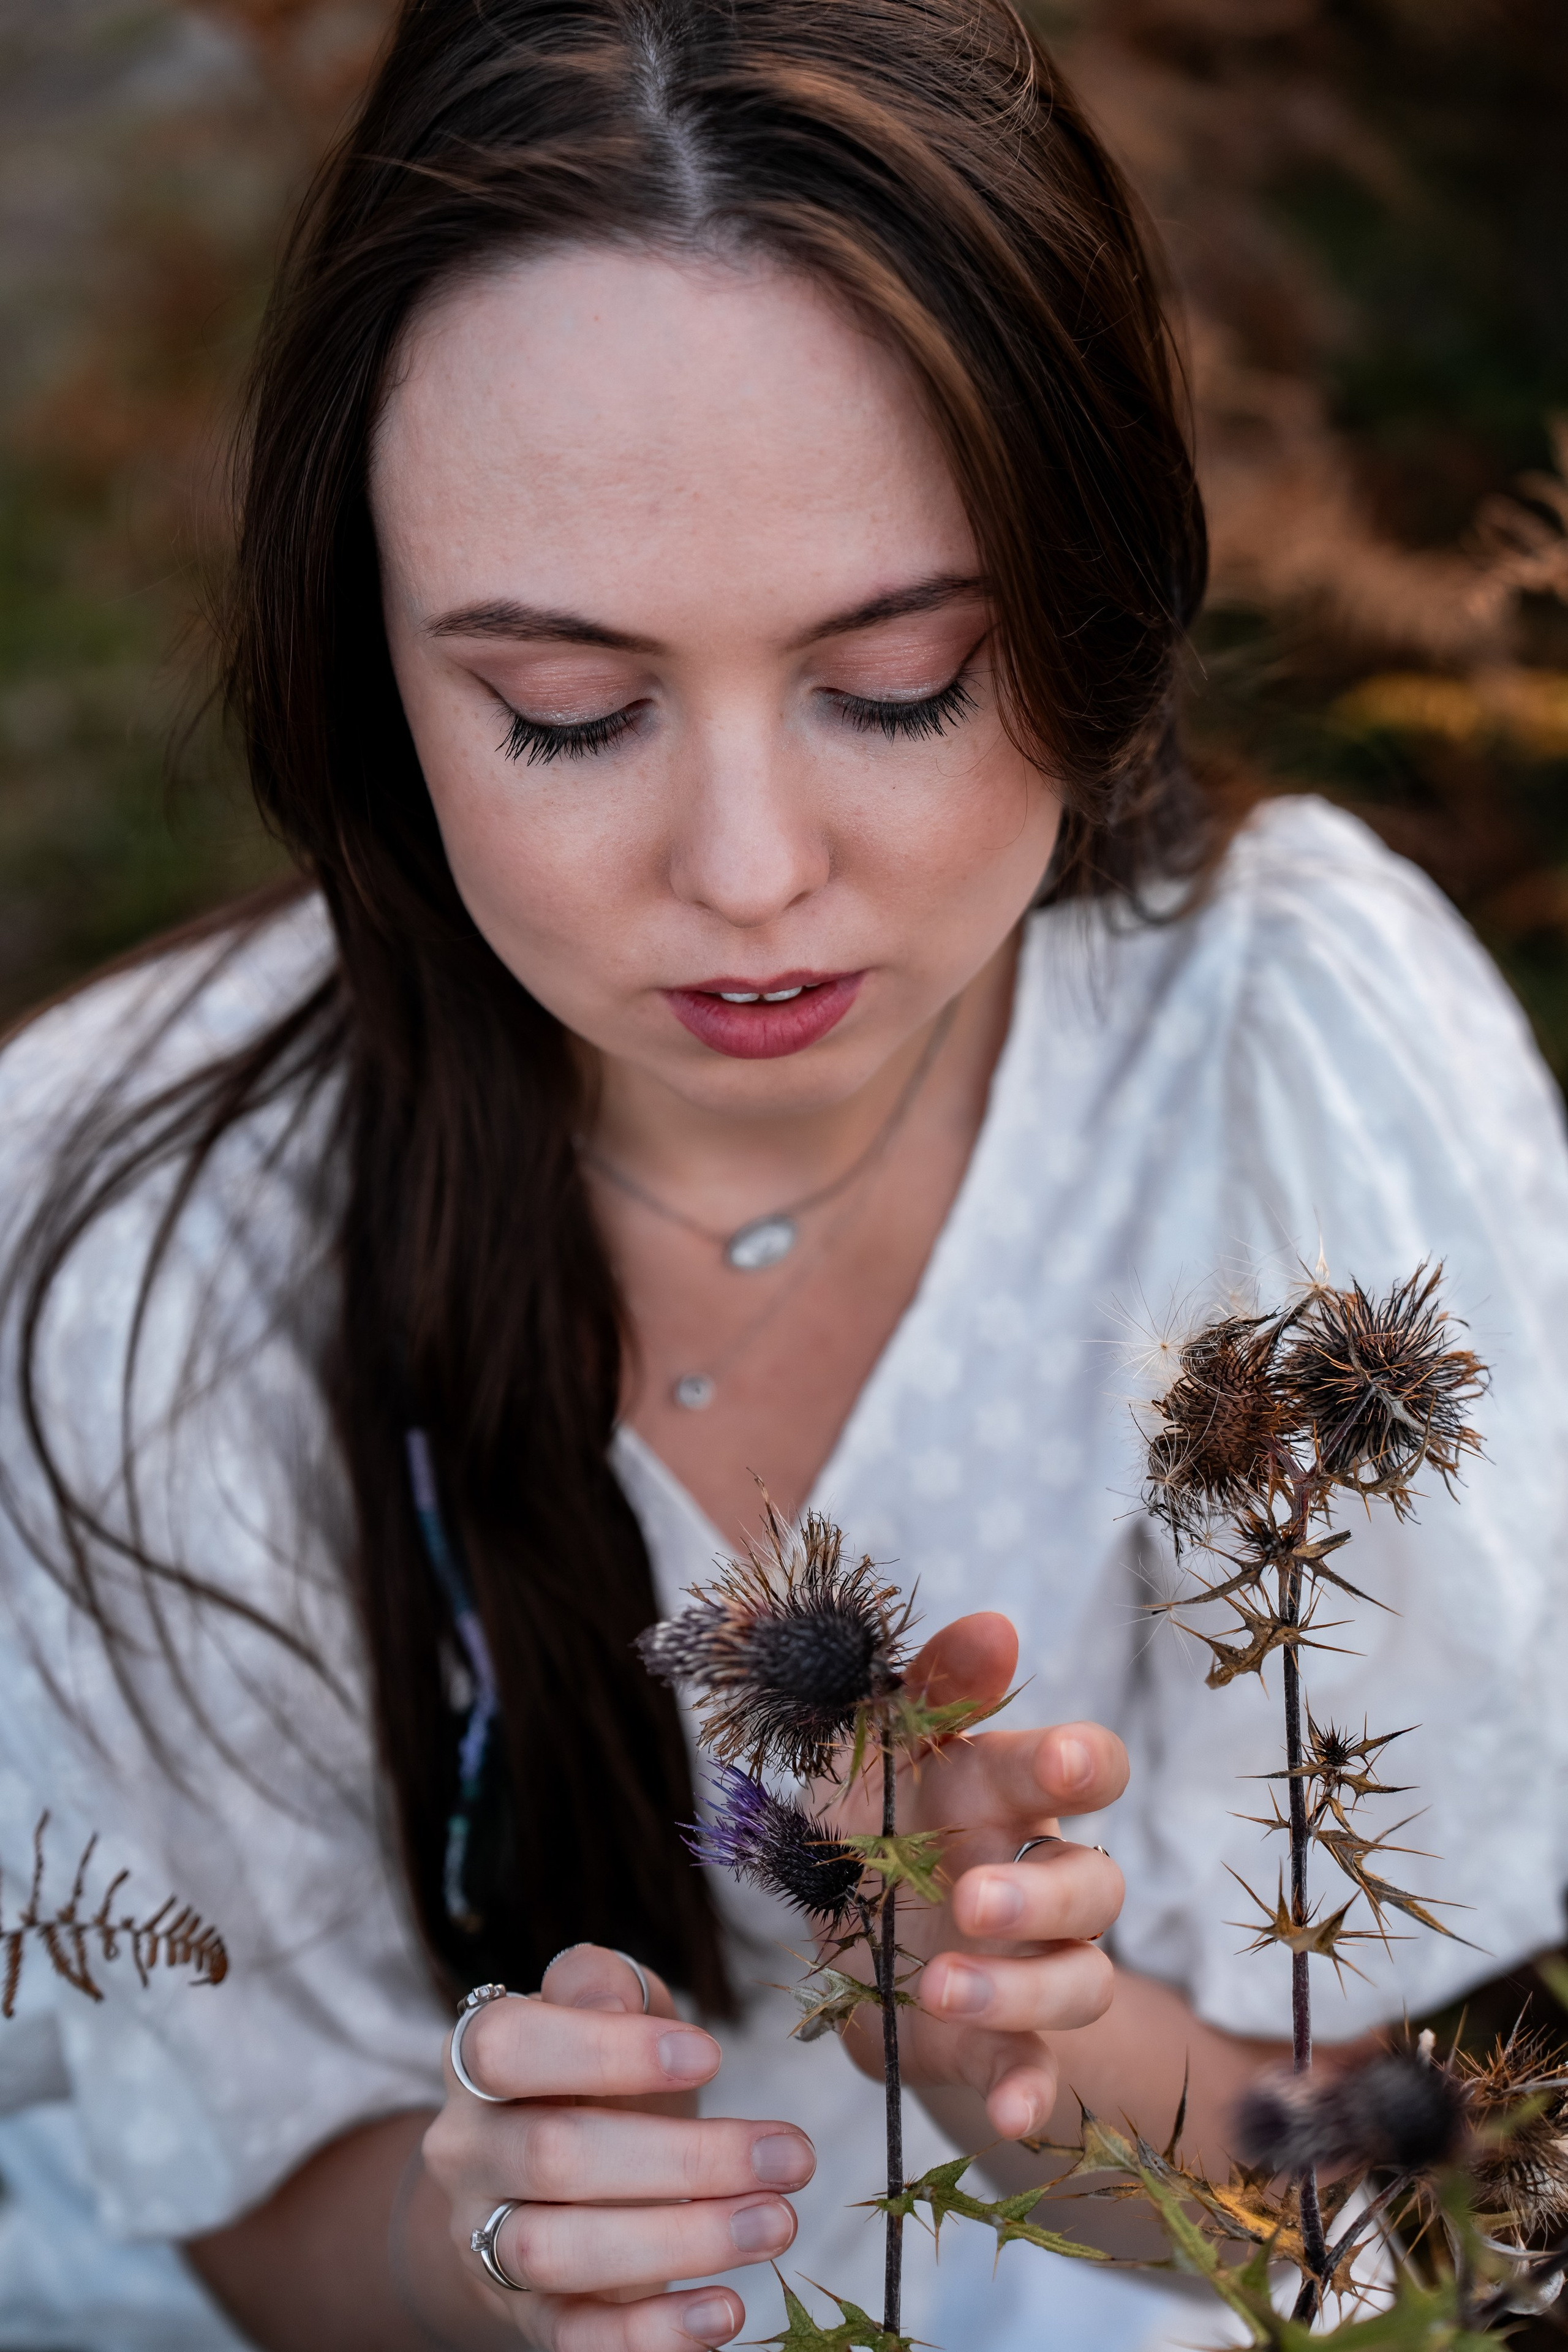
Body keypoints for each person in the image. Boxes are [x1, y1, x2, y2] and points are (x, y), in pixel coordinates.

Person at [2, 2, 1566, 2347]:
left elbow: (1445, 2231)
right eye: (568, 714)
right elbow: (227, 2199)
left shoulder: (1290, 1078)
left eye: (903, 680)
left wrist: (1034, 2059)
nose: (749, 872)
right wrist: (480, 2253)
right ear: (372, 672)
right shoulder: (139, 1249)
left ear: (1090, 613)